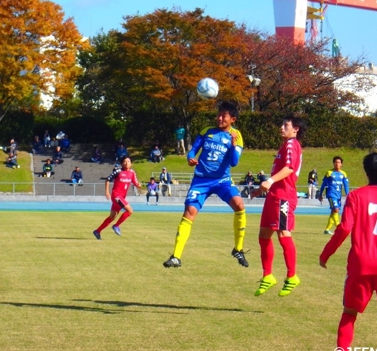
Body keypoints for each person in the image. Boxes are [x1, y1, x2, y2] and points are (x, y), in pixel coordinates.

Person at [319, 153, 377, 351]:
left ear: (366, 172)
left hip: (361, 264)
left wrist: (326, 253)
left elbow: (344, 228)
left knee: (349, 313)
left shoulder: (356, 196)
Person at [163, 101, 249, 269]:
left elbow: (234, 162)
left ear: (233, 119)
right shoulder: (207, 131)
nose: (219, 118)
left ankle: (238, 249)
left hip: (222, 180)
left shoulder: (236, 136)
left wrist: (232, 144)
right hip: (201, 180)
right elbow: (193, 150)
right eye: (218, 114)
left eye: (223, 115)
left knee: (239, 205)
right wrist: (190, 158)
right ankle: (176, 256)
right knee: (190, 212)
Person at [254, 115, 306, 297]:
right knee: (264, 235)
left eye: (285, 125)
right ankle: (267, 276)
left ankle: (292, 276)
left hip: (283, 197)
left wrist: (270, 180)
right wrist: (261, 189)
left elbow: (290, 168)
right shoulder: (285, 145)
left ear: (295, 129)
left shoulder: (292, 144)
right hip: (274, 196)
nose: (281, 127)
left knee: (283, 233)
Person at [93, 157, 142, 239]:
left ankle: (97, 231)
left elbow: (136, 183)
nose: (126, 163)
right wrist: (107, 192)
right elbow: (107, 180)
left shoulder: (132, 173)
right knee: (130, 211)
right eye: (125, 161)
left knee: (112, 217)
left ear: (131, 163)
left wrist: (139, 185)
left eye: (128, 161)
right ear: (122, 163)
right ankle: (116, 226)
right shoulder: (118, 171)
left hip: (121, 197)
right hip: (116, 196)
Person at [318, 156, 350, 235]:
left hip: (338, 195)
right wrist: (320, 193)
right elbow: (323, 184)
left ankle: (327, 229)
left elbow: (346, 186)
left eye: (338, 162)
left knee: (334, 211)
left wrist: (348, 195)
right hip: (331, 195)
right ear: (333, 163)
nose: (337, 164)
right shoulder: (329, 173)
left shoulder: (343, 174)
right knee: (335, 210)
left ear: (341, 164)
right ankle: (339, 228)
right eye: (335, 162)